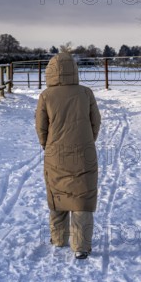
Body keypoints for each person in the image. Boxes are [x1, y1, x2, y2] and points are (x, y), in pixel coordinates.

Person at [35, 52, 101, 259]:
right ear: (74, 70)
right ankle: (81, 246)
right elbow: (95, 121)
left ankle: (58, 238)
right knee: (82, 197)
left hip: (56, 152)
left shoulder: (46, 96)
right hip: (84, 151)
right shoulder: (86, 93)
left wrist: (47, 145)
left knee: (58, 193)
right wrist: (88, 140)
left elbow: (41, 126)